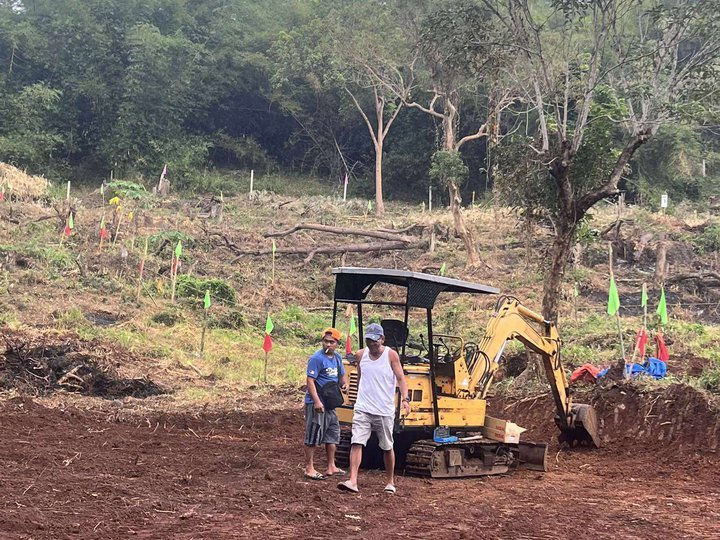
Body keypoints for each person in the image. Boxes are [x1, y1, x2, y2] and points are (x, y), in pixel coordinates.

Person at [338, 322, 410, 494]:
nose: (372, 345)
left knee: (386, 446)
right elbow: (362, 377)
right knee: (356, 442)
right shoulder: (361, 355)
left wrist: (405, 399)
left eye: (375, 341)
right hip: (363, 407)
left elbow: (400, 378)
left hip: (384, 409)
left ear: (382, 339)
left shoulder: (391, 355)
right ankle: (352, 481)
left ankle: (390, 481)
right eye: (369, 341)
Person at [303, 327, 349, 480]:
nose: (328, 345)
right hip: (317, 402)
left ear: (337, 343)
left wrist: (345, 384)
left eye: (332, 342)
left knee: (332, 433)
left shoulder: (336, 358)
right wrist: (316, 401)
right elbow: (310, 381)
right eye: (325, 341)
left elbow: (342, 375)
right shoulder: (316, 359)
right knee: (314, 434)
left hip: (331, 402)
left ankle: (332, 466)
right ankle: (309, 467)